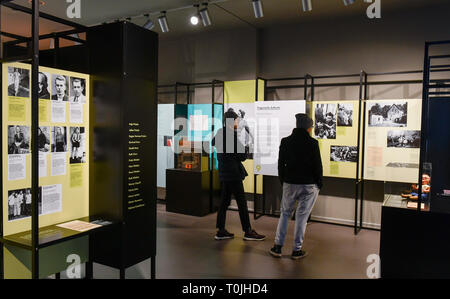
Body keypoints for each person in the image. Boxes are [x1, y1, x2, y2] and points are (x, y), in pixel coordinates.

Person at [270, 113, 323, 260]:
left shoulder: (286, 141)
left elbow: (281, 164)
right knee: (302, 218)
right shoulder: (313, 143)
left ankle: (277, 247)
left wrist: (283, 181)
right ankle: (296, 250)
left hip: (290, 183)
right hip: (309, 185)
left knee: (285, 214)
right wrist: (319, 183)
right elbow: (317, 165)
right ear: (308, 128)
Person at [212, 110, 265, 241]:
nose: (237, 123)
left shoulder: (220, 133)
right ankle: (247, 231)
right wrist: (246, 148)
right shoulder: (230, 136)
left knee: (224, 203)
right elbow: (242, 156)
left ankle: (221, 230)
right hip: (233, 175)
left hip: (224, 173)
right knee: (241, 203)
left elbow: (213, 142)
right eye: (236, 120)